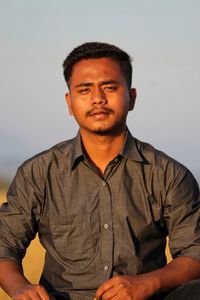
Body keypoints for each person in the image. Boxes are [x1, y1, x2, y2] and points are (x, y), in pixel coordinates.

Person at [0, 42, 200, 300]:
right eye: (84, 90)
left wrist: (146, 284)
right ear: (70, 103)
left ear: (132, 98)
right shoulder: (38, 173)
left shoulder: (168, 174)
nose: (98, 99)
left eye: (110, 87)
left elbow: (195, 253)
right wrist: (20, 288)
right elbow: (4, 246)